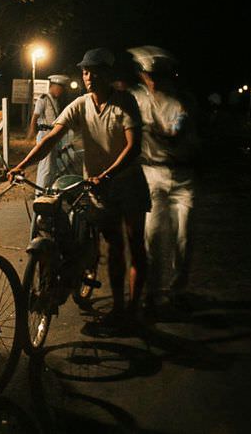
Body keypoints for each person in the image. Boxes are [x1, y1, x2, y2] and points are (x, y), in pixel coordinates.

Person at [8, 48, 151, 327]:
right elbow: (51, 137)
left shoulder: (125, 102)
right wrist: (22, 165)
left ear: (107, 75)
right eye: (85, 71)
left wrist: (108, 175)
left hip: (127, 184)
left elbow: (133, 147)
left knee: (134, 244)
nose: (88, 77)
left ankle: (131, 308)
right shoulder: (81, 104)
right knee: (113, 245)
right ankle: (118, 307)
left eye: (95, 72)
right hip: (98, 187)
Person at [127, 47, 199, 315]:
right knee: (153, 236)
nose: (154, 80)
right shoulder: (135, 99)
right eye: (149, 75)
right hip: (151, 174)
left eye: (159, 75)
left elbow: (175, 135)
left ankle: (178, 289)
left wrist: (149, 129)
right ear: (142, 75)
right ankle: (152, 293)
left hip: (182, 175)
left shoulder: (183, 101)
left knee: (184, 236)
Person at [27, 74, 68, 189]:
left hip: (52, 134)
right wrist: (33, 134)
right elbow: (35, 117)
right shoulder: (43, 98)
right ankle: (40, 192)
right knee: (46, 166)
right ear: (54, 87)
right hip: (44, 134)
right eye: (60, 89)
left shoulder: (55, 101)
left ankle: (47, 190)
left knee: (52, 167)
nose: (61, 92)